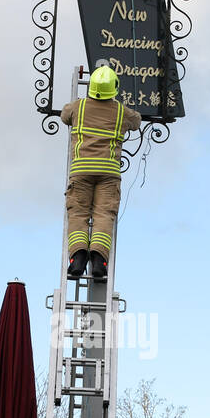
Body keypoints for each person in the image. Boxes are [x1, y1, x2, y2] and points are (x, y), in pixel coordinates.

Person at [60, 64, 142, 282]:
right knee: (104, 215)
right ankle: (99, 261)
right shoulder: (121, 112)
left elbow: (64, 115)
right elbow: (136, 121)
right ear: (113, 89)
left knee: (78, 214)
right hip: (109, 173)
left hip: (81, 170)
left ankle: (77, 259)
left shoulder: (79, 107)